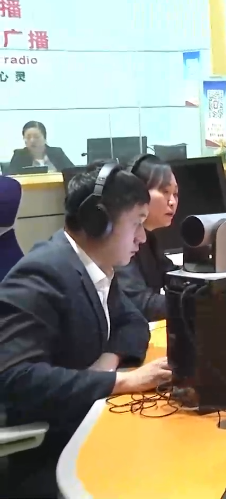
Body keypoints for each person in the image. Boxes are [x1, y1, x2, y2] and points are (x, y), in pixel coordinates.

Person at [0, 162, 172, 497]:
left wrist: (108, 360)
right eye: (136, 223)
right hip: (52, 451)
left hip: (89, 423)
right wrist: (121, 381)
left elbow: (133, 321)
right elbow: (15, 379)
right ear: (98, 221)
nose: (142, 236)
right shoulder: (43, 274)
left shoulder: (95, 266)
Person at [115, 154, 179, 322]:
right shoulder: (118, 241)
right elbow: (140, 303)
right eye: (165, 191)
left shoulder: (148, 237)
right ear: (138, 194)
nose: (172, 202)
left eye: (175, 193)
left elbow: (172, 275)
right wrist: (195, 303)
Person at [7, 120, 75, 174]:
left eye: (36, 137)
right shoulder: (19, 155)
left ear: (45, 138)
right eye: (28, 137)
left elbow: (73, 173)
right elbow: (10, 178)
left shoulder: (57, 153)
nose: (32, 140)